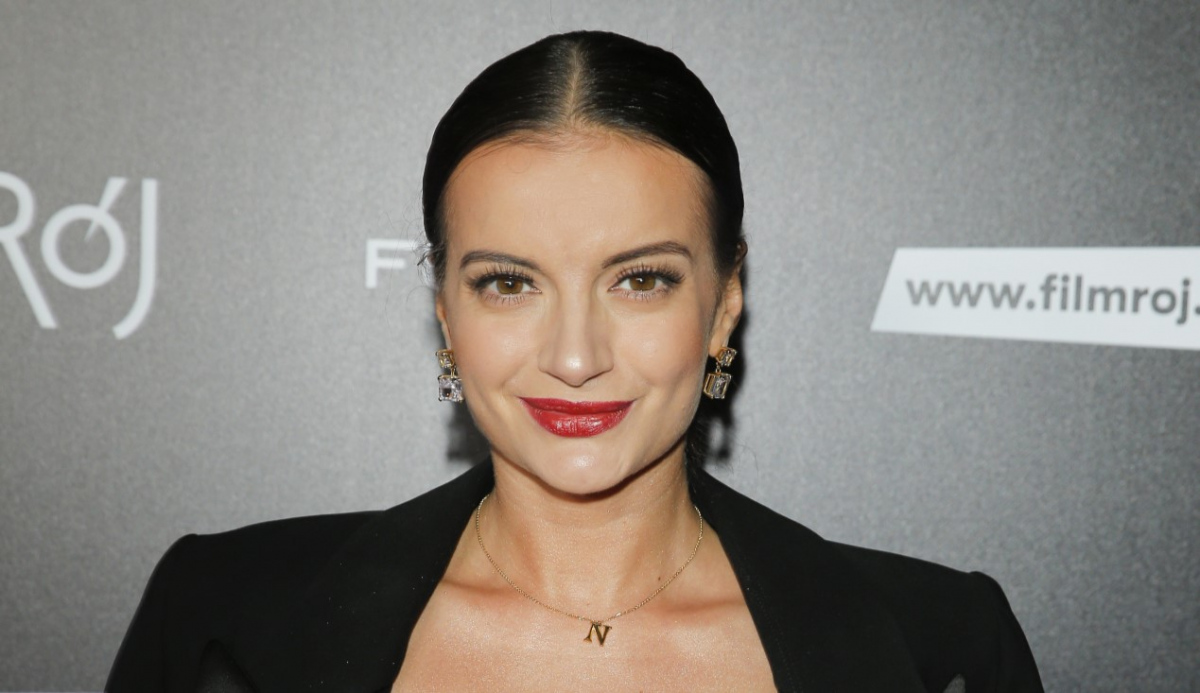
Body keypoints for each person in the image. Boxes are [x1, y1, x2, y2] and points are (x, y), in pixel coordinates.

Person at [106, 30, 1044, 693]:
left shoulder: (942, 648)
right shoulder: (219, 616)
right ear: (444, 309)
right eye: (509, 283)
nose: (574, 356)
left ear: (725, 303)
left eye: (640, 280)